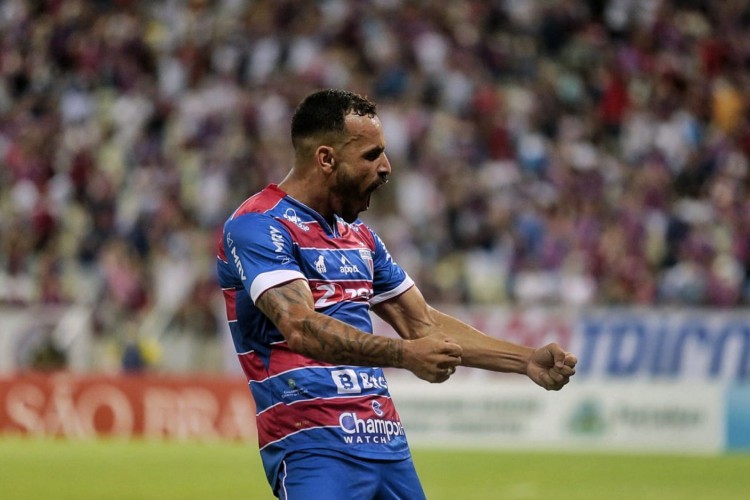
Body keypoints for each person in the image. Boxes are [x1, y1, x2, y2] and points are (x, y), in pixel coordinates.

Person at [216, 89, 577, 499]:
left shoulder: (361, 238)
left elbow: (422, 323)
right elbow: (300, 327)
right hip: (311, 445)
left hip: (386, 444)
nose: (386, 168)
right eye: (371, 155)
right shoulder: (259, 225)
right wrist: (404, 356)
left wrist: (526, 360)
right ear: (326, 159)